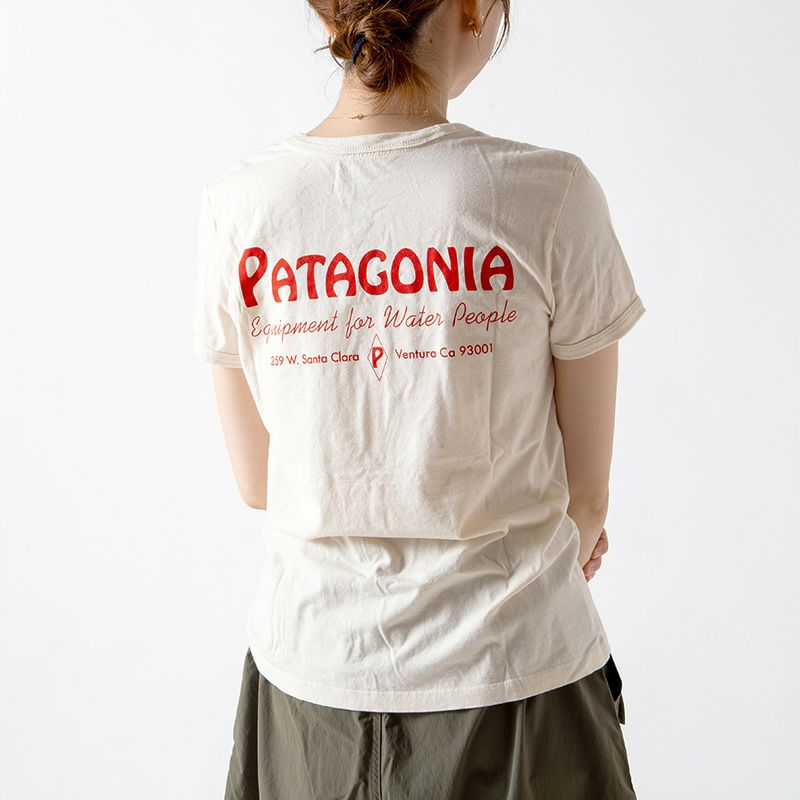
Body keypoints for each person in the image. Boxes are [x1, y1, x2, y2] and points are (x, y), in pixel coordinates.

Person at [192, 1, 646, 797]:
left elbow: (261, 480)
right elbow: (588, 498)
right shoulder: (551, 193)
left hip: (311, 683)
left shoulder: (242, 205)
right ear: (472, 8)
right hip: (519, 678)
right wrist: (563, 543)